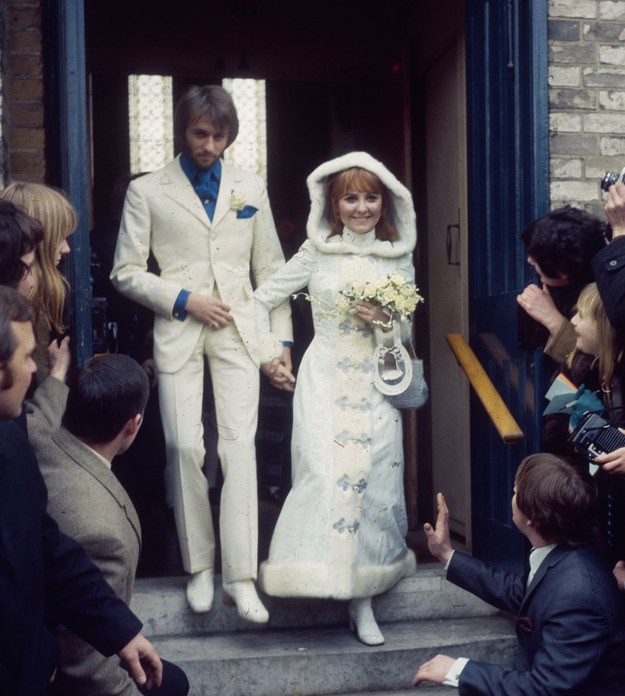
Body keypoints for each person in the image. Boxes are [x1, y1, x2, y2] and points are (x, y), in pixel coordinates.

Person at [111, 84, 293, 621]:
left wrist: (280, 343)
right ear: (183, 130)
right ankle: (198, 568)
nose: (209, 145)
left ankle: (241, 577)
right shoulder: (147, 190)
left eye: (219, 136)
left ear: (230, 135)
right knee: (184, 447)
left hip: (240, 330)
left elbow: (273, 272)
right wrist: (184, 299)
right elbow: (125, 271)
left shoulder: (249, 185)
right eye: (200, 133)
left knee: (239, 449)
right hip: (179, 329)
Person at [254, 151, 418, 646]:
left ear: (384, 203)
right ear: (333, 204)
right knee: (324, 474)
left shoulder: (396, 255)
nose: (361, 208)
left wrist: (385, 322)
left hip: (375, 381)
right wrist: (272, 354)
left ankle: (361, 600)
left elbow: (406, 332)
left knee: (372, 480)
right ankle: (319, 576)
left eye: (371, 198)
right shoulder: (315, 251)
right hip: (323, 378)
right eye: (351, 198)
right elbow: (263, 298)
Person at [0, 286, 163, 695]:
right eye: (26, 358)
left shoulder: (16, 436)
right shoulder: (100, 528)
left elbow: (47, 545)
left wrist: (121, 632)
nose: (34, 370)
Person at [26, 353, 189, 696]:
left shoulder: (34, 436)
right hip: (61, 673)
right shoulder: (103, 535)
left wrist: (57, 374)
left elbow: (39, 412)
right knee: (172, 685)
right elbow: (89, 669)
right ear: (134, 424)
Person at [412, 454, 625, 695]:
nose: (511, 496)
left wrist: (457, 671)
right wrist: (446, 554)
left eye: (515, 492)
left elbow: (544, 688)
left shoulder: (578, 593)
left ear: (531, 517)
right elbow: (521, 593)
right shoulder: (561, 552)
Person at [516, 206, 607, 365]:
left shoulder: (604, 298)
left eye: (537, 257)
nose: (530, 260)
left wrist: (551, 319)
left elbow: (597, 366)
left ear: (563, 271)